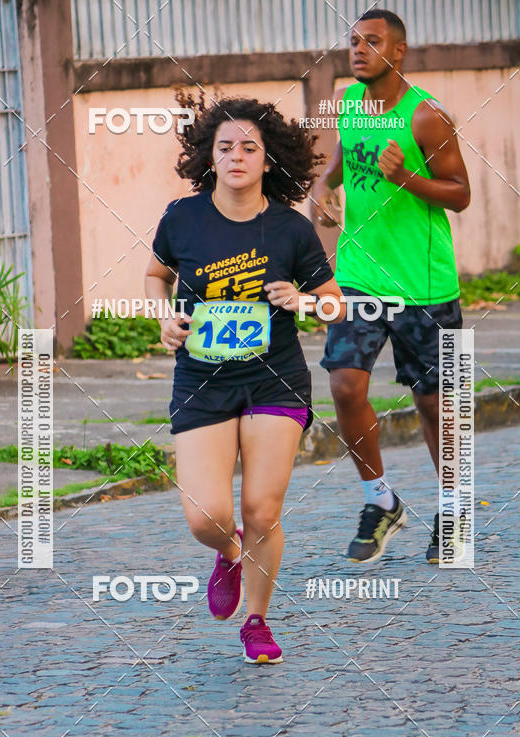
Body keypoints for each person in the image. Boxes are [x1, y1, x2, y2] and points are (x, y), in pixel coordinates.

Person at [145, 91, 343, 663]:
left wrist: (304, 298)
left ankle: (257, 621)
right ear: (209, 156)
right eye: (224, 146)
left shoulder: (289, 229)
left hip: (273, 379)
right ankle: (230, 554)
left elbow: (335, 305)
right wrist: (165, 318)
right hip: (202, 380)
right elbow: (156, 275)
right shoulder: (182, 218)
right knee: (205, 515)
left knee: (262, 509)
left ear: (266, 159)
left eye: (248, 147)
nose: (236, 156)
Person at [313, 9, 470, 565]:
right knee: (345, 387)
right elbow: (339, 164)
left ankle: (454, 511)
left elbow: (459, 194)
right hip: (359, 278)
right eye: (353, 40)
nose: (358, 49)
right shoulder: (351, 104)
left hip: (425, 285)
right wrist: (324, 192)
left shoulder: (426, 116)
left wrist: (405, 178)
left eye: (371, 41)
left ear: (398, 51)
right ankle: (381, 503)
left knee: (435, 405)